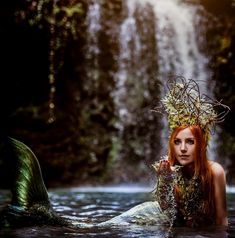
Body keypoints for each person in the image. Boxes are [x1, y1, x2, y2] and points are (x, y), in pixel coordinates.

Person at [0, 78, 230, 228]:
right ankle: (36, 211)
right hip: (148, 215)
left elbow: (221, 220)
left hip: (160, 221)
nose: (182, 148)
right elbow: (167, 209)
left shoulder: (215, 171)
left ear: (200, 145)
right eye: (177, 141)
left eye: (189, 142)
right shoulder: (171, 168)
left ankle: (36, 213)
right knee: (93, 230)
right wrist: (166, 181)